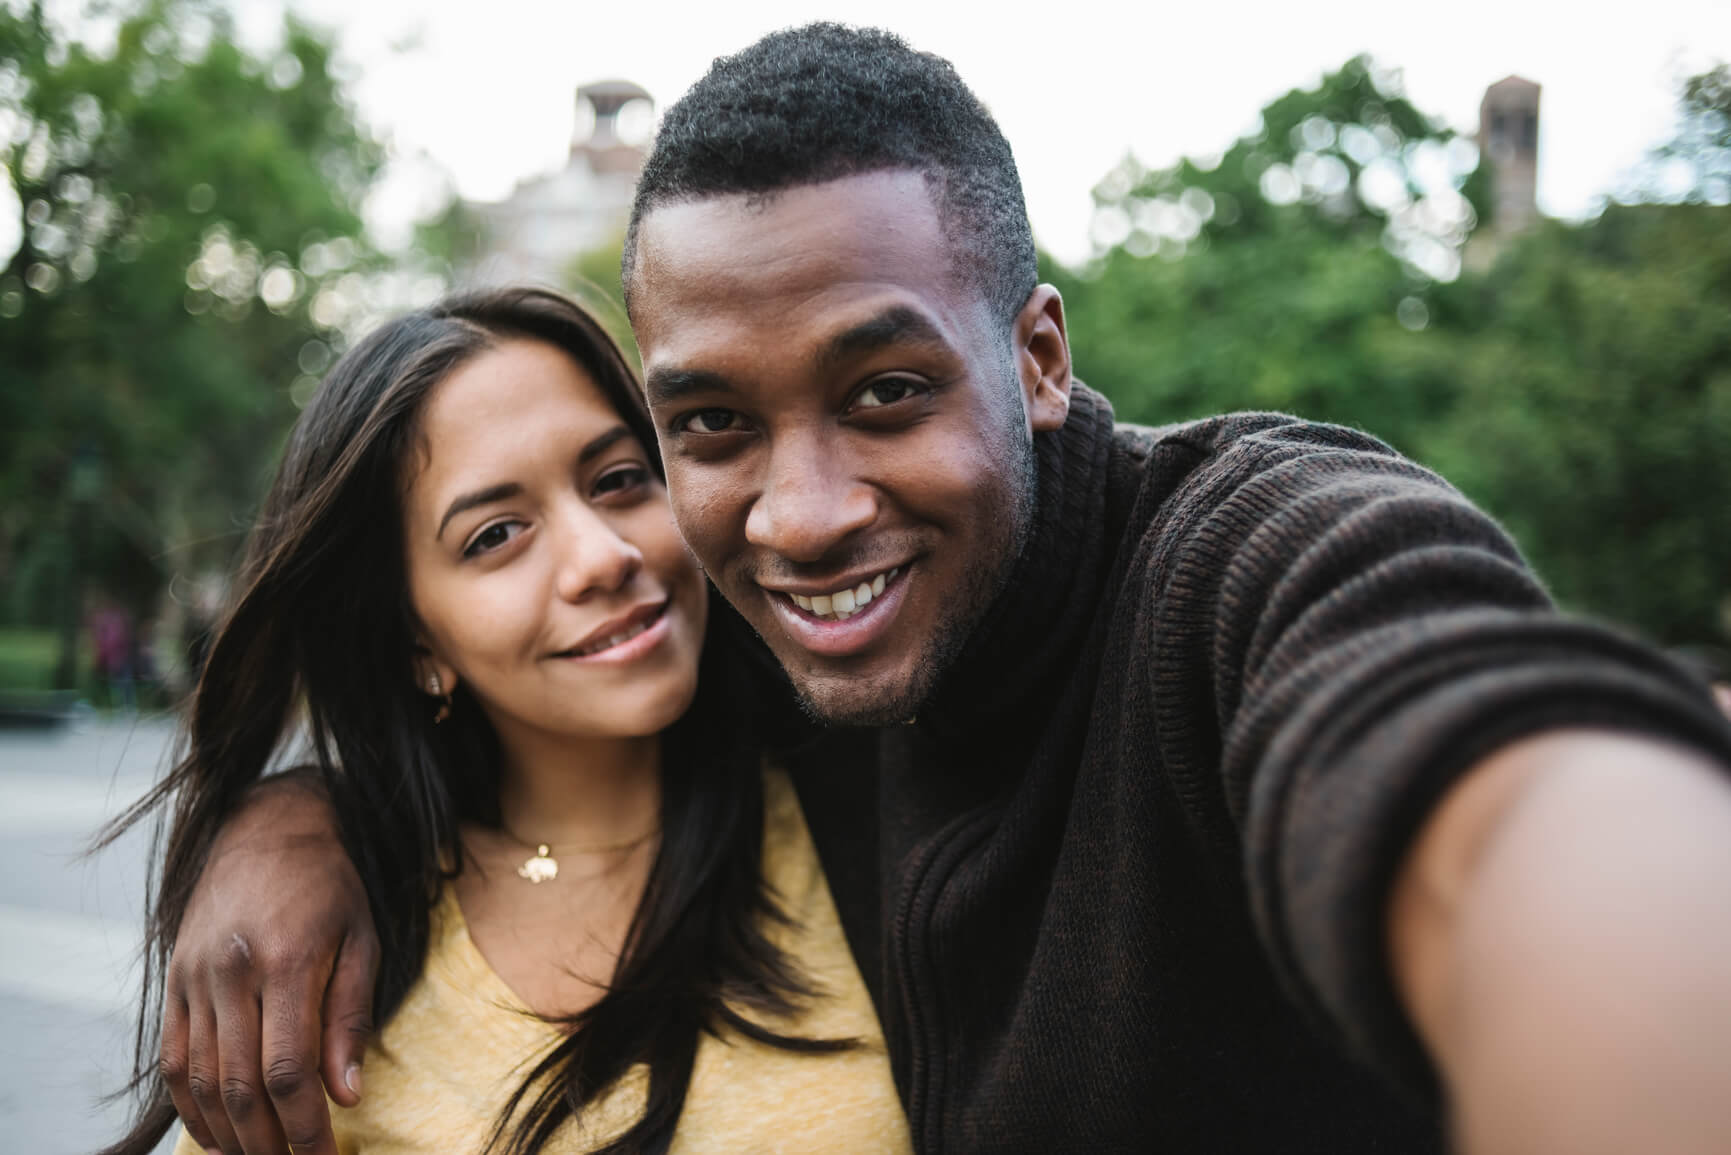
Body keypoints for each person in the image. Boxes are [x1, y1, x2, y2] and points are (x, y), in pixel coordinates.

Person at [152, 25, 1731, 1155]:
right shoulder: (772, 656)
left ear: (1038, 356)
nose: (806, 515)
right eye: (706, 426)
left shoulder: (1232, 559)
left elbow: (1471, 758)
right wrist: (295, 820)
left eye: (887, 390)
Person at [100, 287, 911, 1155]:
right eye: (495, 535)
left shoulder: (878, 810)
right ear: (416, 642)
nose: (604, 556)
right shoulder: (331, 960)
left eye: (618, 480)